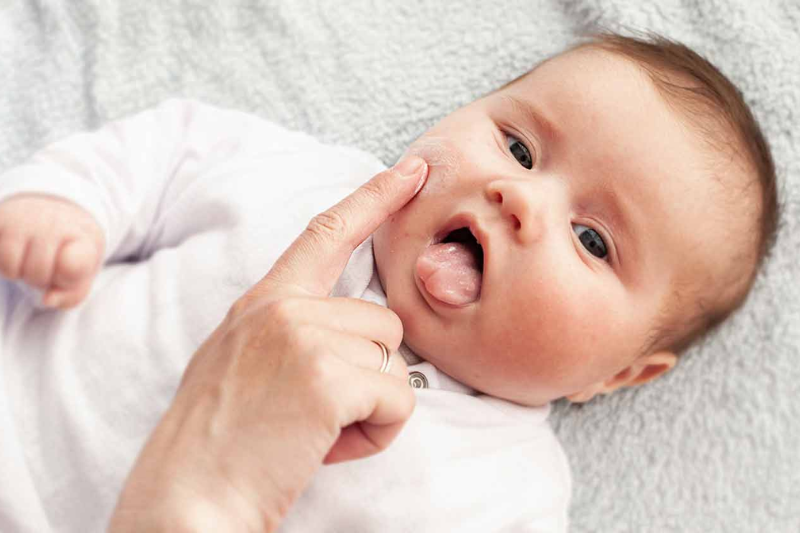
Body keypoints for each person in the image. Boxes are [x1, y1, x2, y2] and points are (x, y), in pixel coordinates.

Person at [0, 32, 778, 532]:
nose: (519, 197)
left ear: (619, 373)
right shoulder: (317, 183)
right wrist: (69, 203)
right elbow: (176, 149)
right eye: (517, 144)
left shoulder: (509, 497)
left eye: (592, 239)